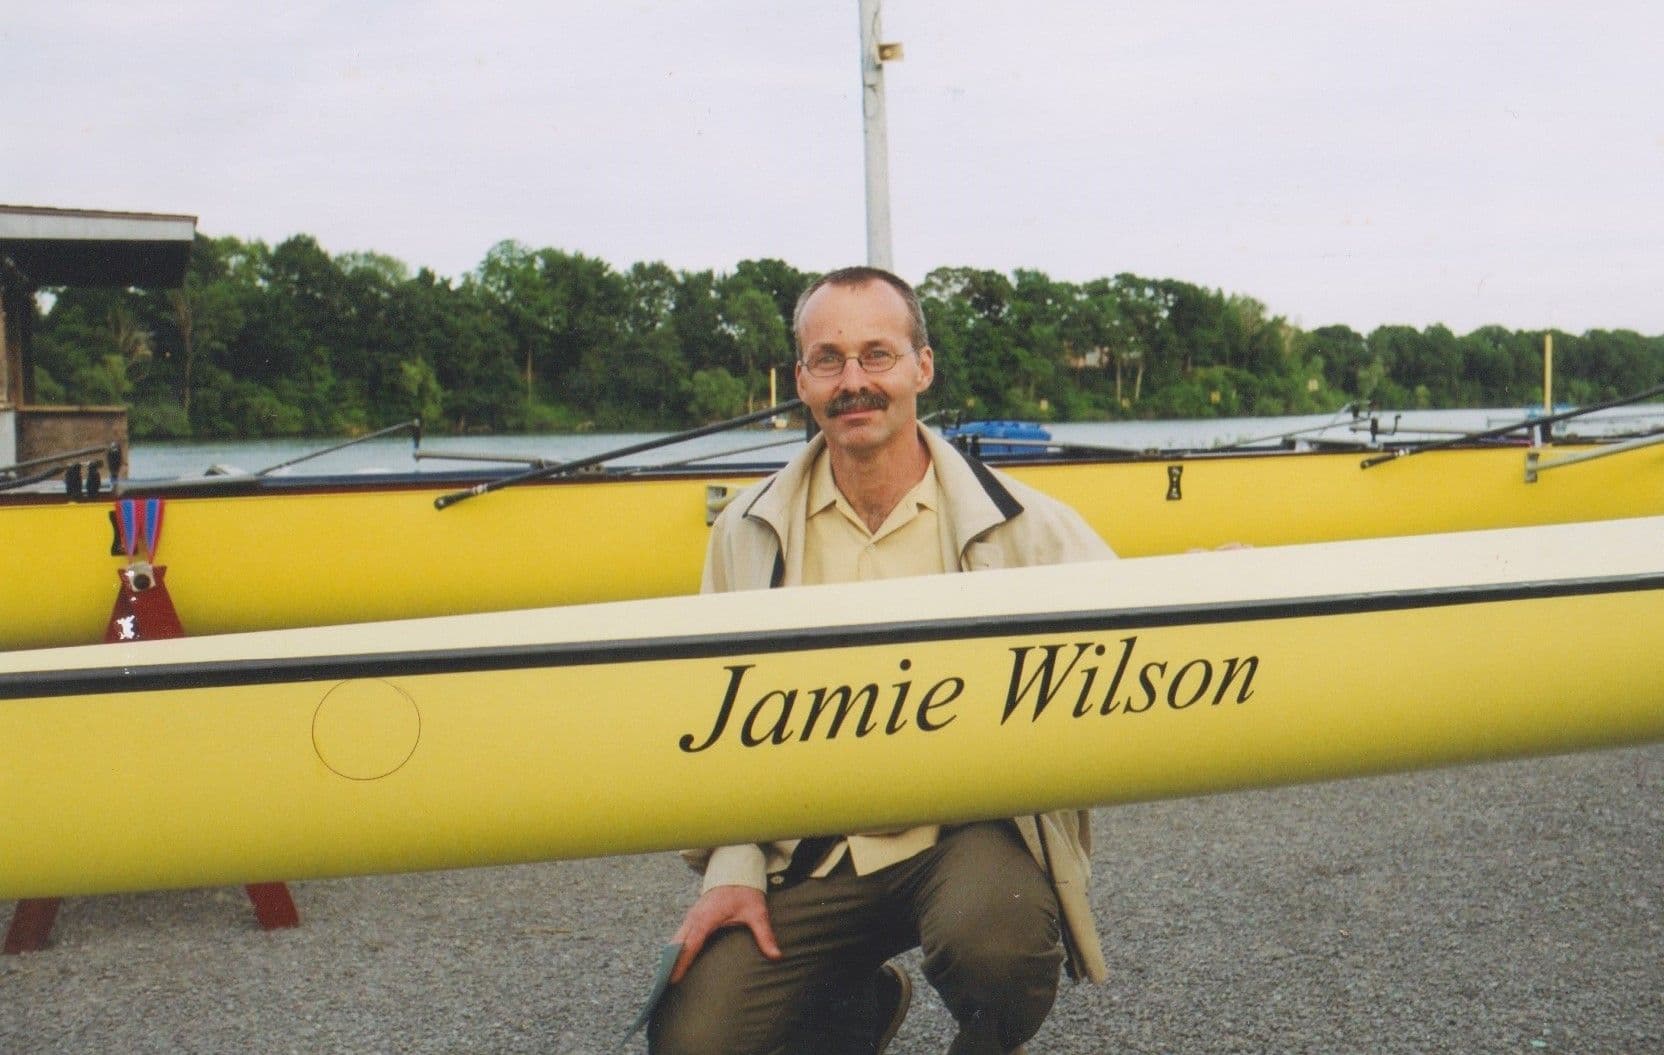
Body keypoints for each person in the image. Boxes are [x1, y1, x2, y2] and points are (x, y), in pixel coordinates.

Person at [648, 266, 1114, 1055]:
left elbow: (1137, 618)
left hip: (965, 833)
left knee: (998, 949)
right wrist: (731, 868)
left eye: (877, 355)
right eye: (828, 360)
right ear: (801, 380)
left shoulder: (1022, 520)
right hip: (809, 847)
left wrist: (1225, 575)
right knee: (692, 1039)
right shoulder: (746, 531)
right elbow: (715, 720)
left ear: (922, 367)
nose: (853, 382)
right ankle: (853, 1005)